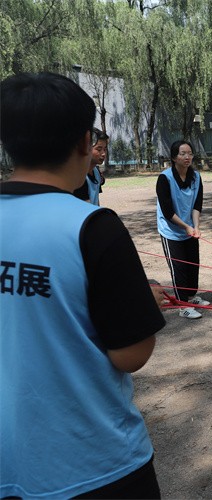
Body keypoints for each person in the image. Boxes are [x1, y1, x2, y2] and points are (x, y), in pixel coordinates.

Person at [0, 72, 166, 498]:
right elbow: (131, 354)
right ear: (83, 142)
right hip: (93, 463)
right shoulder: (93, 226)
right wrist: (146, 302)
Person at [156, 140, 209, 319]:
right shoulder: (165, 178)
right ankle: (183, 306)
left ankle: (192, 297)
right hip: (171, 230)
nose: (187, 157)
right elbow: (167, 211)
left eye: (190, 153)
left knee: (193, 264)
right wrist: (186, 226)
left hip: (189, 228)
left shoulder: (196, 177)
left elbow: (197, 205)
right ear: (173, 157)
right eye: (182, 153)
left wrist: (195, 227)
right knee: (178, 267)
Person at [73, 127, 108, 205]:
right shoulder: (78, 176)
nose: (103, 154)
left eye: (105, 149)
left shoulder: (97, 173)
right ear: (86, 148)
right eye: (99, 149)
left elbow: (96, 201)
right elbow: (84, 208)